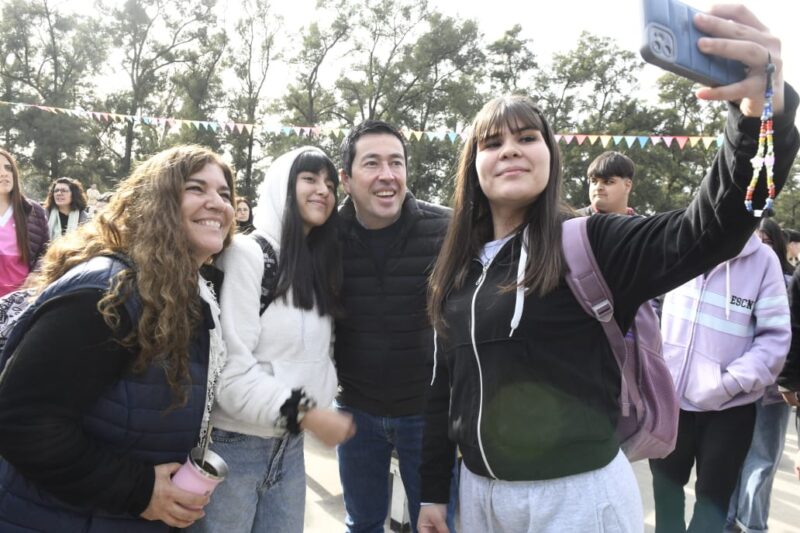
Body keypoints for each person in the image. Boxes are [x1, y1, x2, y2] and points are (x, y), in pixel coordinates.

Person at [418, 6, 799, 533]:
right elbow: (444, 392)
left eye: (527, 138)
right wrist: (434, 493)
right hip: (478, 498)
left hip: (579, 501)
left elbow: (711, 227)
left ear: (550, 156)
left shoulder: (593, 242)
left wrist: (762, 115)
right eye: (492, 142)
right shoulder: (457, 269)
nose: (510, 150)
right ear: (472, 166)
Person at [0, 145, 236, 531]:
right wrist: (140, 491)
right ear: (156, 202)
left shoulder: (183, 293)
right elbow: (21, 423)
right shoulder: (106, 293)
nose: (217, 203)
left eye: (225, 194)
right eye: (197, 189)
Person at [191, 147, 355, 533]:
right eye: (310, 179)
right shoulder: (249, 255)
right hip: (235, 448)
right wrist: (310, 414)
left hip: (291, 448)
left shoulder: (318, 268)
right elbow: (229, 372)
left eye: (330, 184)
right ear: (283, 185)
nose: (324, 191)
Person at [334, 120, 456, 533]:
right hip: (355, 412)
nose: (387, 176)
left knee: (438, 524)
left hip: (427, 414)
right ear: (346, 179)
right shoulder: (325, 237)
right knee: (362, 523)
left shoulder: (446, 230)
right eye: (372, 164)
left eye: (396, 163)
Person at [652, 222, 790, 533]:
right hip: (670, 403)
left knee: (712, 505)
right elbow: (647, 304)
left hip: (729, 409)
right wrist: (654, 369)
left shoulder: (763, 262)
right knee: (666, 497)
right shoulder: (679, 243)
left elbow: (775, 339)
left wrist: (728, 384)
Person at [725, 218, 794, 533]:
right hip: (748, 382)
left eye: (766, 240)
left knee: (757, 457)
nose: (760, 246)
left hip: (768, 385)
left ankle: (743, 522)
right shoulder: (771, 279)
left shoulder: (782, 280)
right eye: (755, 239)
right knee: (751, 456)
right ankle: (747, 524)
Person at [0, 148, 48, 296]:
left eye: (8, 168)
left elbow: (46, 251)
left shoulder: (34, 211)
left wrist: (37, 273)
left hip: (21, 301)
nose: (4, 173)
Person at [578, 151, 636, 215]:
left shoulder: (642, 224)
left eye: (608, 182)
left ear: (627, 186)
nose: (598, 187)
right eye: (593, 181)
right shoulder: (570, 221)